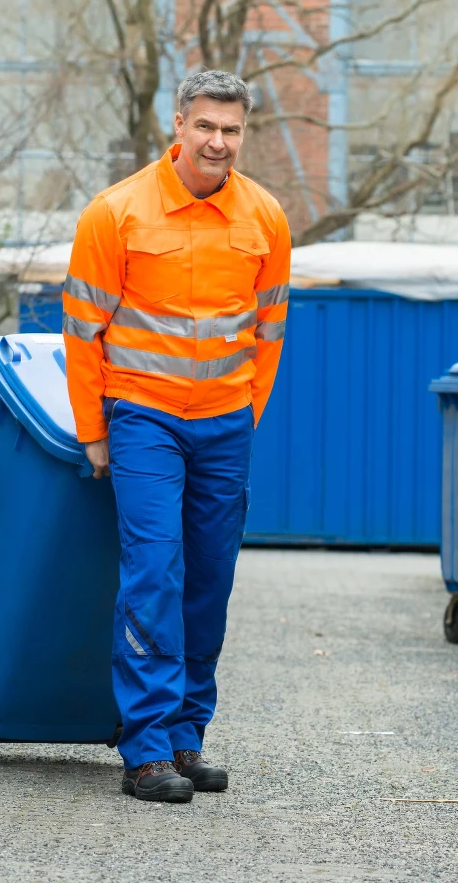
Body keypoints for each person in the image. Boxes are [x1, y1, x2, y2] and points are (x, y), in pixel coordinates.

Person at [61, 69, 291, 803]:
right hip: (143, 419)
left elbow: (270, 330)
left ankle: (189, 738)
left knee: (209, 581)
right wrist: (95, 429)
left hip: (225, 424)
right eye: (206, 127)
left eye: (231, 130)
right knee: (154, 571)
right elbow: (82, 331)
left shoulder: (265, 218)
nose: (218, 141)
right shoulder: (116, 213)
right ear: (179, 125)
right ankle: (146, 748)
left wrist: (245, 413)